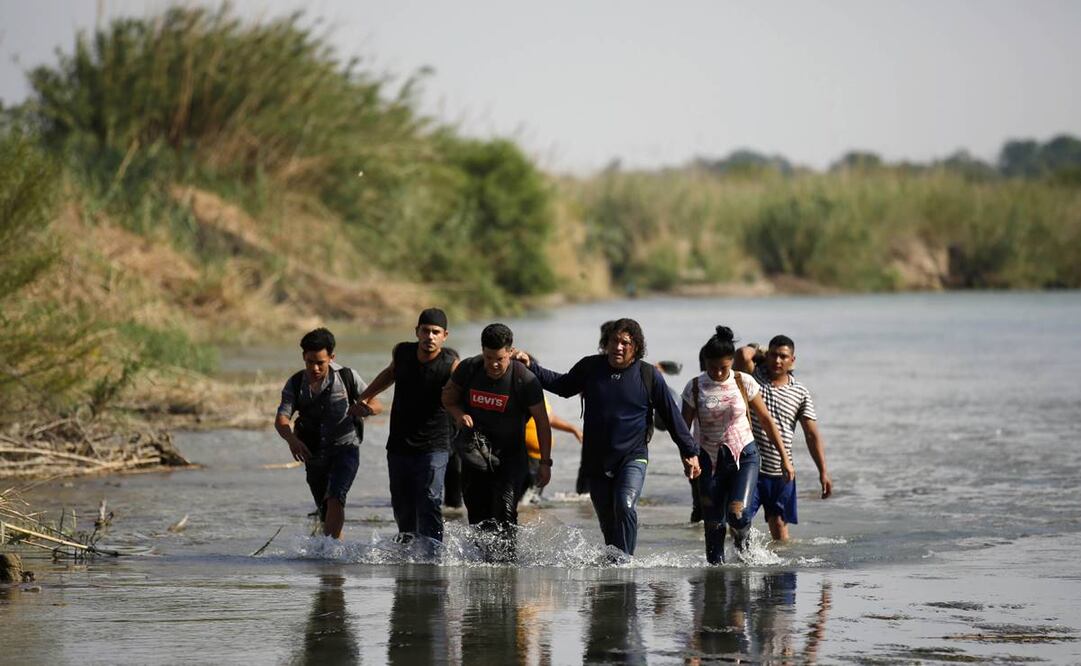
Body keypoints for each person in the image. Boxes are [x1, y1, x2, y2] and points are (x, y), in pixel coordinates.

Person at [515, 318, 700, 557]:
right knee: (608, 522)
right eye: (614, 341)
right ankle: (616, 566)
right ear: (607, 343)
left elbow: (673, 417)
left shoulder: (648, 375)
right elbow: (562, 385)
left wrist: (690, 452)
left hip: (632, 457)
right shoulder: (591, 367)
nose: (618, 347)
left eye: (625, 342)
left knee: (625, 504)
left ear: (636, 347)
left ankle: (627, 562)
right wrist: (531, 366)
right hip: (596, 460)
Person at [681, 326, 791, 564]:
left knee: (737, 514)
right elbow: (683, 429)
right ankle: (716, 583)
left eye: (724, 367)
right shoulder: (694, 387)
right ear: (705, 363)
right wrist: (687, 458)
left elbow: (766, 420)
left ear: (731, 362)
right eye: (713, 367)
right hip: (708, 460)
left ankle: (746, 550)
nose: (719, 373)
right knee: (713, 525)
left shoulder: (744, 381)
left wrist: (785, 458)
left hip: (745, 456)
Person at [442, 323, 551, 559]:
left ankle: (506, 566)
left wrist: (545, 462)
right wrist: (460, 415)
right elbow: (448, 398)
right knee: (478, 518)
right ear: (482, 351)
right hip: (474, 453)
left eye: (499, 358)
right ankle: (483, 566)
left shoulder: (525, 379)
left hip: (511, 457)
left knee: (504, 513)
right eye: (488, 357)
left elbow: (543, 422)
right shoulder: (469, 368)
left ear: (510, 352)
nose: (493, 364)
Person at [354, 308, 459, 546]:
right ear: (417, 332)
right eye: (425, 331)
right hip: (400, 443)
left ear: (445, 336)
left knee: (429, 498)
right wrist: (365, 397)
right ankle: (407, 549)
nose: (429, 337)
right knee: (402, 502)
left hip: (435, 445)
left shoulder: (451, 366)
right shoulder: (402, 352)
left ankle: (434, 553)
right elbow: (390, 374)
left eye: (435, 332)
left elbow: (464, 395)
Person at [275, 327, 381, 539]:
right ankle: (332, 563)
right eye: (309, 362)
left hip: (346, 449)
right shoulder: (296, 384)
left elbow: (377, 404)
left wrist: (366, 409)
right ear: (303, 357)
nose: (314, 368)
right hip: (313, 454)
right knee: (325, 511)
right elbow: (281, 419)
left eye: (320, 363)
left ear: (331, 357)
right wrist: (292, 440)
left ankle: (331, 553)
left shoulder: (348, 377)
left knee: (335, 497)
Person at [736, 335, 832, 541]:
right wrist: (758, 350)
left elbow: (811, 434)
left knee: (779, 527)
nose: (777, 361)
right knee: (738, 520)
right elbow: (744, 354)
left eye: (783, 356)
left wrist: (823, 472)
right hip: (750, 468)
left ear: (792, 360)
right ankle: (740, 565)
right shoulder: (754, 378)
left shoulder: (800, 392)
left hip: (781, 471)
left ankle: (782, 570)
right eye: (773, 355)